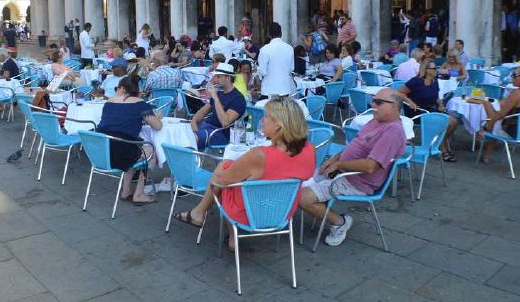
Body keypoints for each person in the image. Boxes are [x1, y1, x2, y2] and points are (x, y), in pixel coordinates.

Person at [174, 96, 315, 251]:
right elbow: (302, 175)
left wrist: (229, 168)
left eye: (266, 116)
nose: (262, 119)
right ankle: (199, 213)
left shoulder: (260, 155)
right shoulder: (309, 149)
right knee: (234, 172)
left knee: (223, 172)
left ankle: (219, 228)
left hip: (249, 213)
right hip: (283, 212)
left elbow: (222, 181)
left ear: (279, 125)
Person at [299, 88, 406, 246]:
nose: (373, 104)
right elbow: (355, 146)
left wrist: (339, 164)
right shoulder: (376, 121)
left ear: (394, 107)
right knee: (297, 182)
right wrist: (335, 159)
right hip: (343, 172)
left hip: (358, 182)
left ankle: (339, 222)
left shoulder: (393, 131)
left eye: (378, 102)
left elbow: (370, 166)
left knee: (301, 198)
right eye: (373, 100)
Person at [96, 75, 162, 205]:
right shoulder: (140, 104)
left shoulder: (109, 101)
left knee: (134, 147)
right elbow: (157, 126)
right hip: (121, 152)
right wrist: (158, 116)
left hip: (102, 151)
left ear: (122, 88)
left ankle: (126, 190)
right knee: (151, 152)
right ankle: (139, 194)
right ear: (137, 90)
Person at [477, 66, 520, 163]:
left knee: (493, 118)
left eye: (514, 75)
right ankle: (487, 153)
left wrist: (486, 126)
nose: (512, 78)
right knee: (493, 116)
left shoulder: (517, 93)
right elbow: (505, 103)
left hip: (512, 132)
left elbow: (500, 115)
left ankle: (485, 142)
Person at [190, 62, 246, 150]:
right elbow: (202, 112)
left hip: (220, 133)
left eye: (218, 76)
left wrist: (215, 98)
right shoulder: (219, 93)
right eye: (215, 76)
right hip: (205, 128)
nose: (215, 79)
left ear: (228, 77)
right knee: (180, 133)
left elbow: (225, 123)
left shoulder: (238, 99)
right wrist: (194, 121)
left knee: (189, 139)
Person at [258, 22, 294, 97]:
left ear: (269, 35)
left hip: (269, 90)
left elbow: (262, 71)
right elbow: (291, 69)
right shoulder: (290, 48)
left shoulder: (264, 49)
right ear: (281, 33)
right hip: (284, 88)